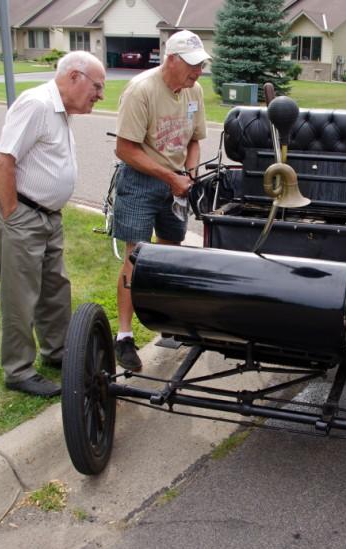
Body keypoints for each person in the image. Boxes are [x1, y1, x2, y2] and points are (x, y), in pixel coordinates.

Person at [0, 51, 106, 397]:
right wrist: (13, 216)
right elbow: (2, 160)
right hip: (24, 212)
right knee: (20, 293)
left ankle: (56, 353)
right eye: (97, 86)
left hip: (47, 215)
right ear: (74, 77)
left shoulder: (61, 111)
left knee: (55, 287)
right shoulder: (36, 104)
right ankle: (18, 370)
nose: (100, 95)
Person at [111, 30, 210, 370]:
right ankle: (123, 337)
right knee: (136, 257)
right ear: (171, 59)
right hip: (141, 181)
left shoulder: (194, 91)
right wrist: (170, 176)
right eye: (192, 66)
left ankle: (166, 323)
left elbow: (195, 140)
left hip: (177, 183)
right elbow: (124, 148)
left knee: (168, 254)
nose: (197, 73)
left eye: (200, 65)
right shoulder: (142, 90)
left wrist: (190, 176)